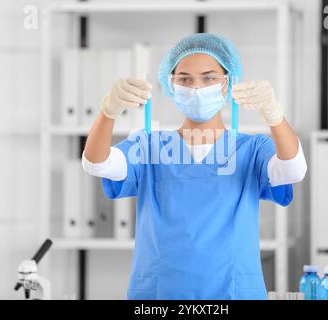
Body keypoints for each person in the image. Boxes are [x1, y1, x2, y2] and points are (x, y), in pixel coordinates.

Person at [82, 33, 307, 300]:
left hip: (231, 291)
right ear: (171, 84)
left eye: (209, 77)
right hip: (162, 294)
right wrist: (108, 112)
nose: (196, 87)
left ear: (228, 83)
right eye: (185, 79)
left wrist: (274, 115)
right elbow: (96, 163)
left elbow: (294, 169)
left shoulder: (252, 149)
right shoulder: (149, 145)